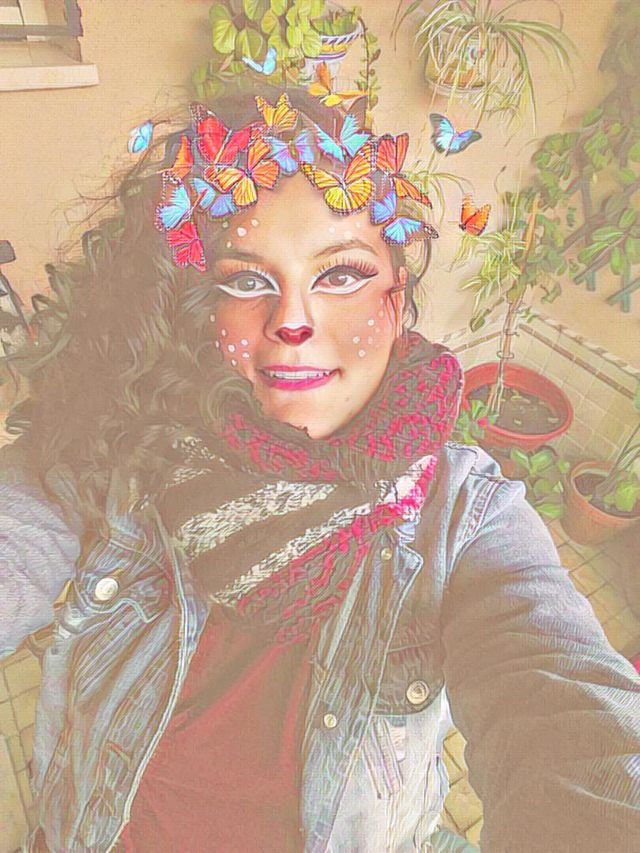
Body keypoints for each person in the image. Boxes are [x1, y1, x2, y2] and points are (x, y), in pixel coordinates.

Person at [0, 84, 638, 853]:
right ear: (199, 306)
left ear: (396, 304)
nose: (293, 322)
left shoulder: (467, 520)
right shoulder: (119, 444)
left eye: (340, 275)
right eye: (246, 279)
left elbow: (572, 715)